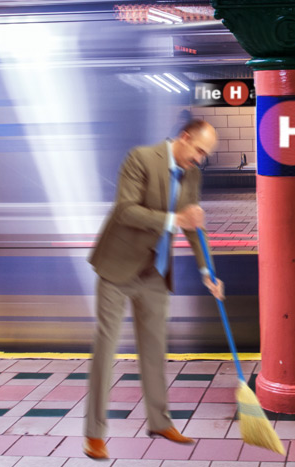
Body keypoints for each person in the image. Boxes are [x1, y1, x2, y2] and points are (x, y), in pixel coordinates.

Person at [83, 119, 225, 460]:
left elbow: (192, 224)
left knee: (154, 350)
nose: (200, 159)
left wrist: (207, 271)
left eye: (206, 155)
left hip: (155, 273)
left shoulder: (192, 174)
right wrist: (174, 220)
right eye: (199, 150)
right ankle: (94, 434)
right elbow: (126, 210)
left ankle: (160, 421)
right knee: (107, 348)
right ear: (184, 137)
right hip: (117, 267)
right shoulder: (141, 158)